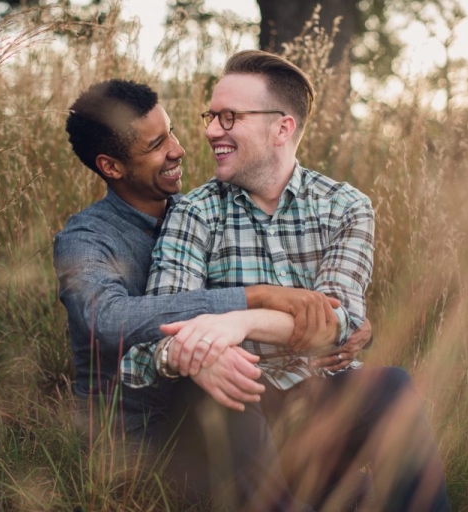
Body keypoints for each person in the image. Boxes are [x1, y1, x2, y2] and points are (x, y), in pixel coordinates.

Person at [121, 50, 450, 511]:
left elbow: (336, 324)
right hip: (232, 407)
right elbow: (159, 330)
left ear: (282, 128)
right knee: (222, 396)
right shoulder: (194, 212)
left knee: (391, 386)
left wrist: (234, 323)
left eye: (230, 117)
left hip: (317, 405)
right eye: (211, 116)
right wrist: (198, 355)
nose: (212, 130)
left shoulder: (345, 206)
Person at [54, 79, 371, 503]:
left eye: (172, 132)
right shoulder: (85, 240)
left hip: (220, 397)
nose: (178, 149)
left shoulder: (194, 213)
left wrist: (351, 326)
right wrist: (252, 298)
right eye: (155, 145)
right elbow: (105, 320)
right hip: (139, 433)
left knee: (342, 465)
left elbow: (323, 302)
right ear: (111, 167)